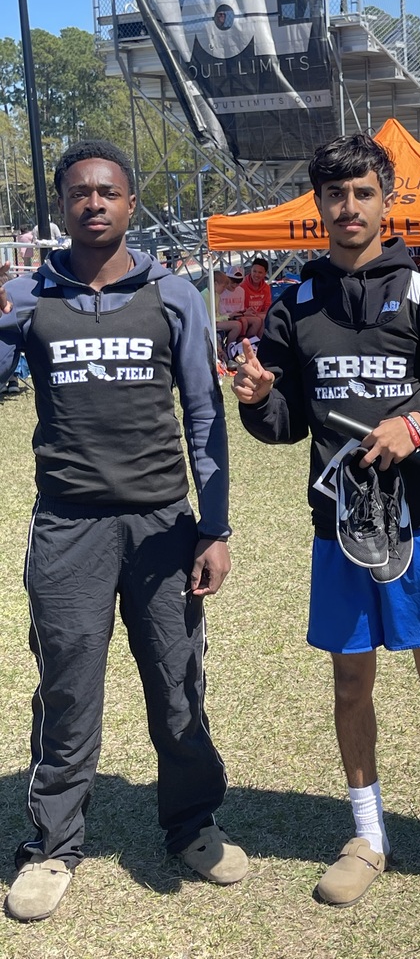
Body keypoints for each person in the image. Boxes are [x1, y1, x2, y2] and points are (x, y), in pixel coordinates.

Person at [233, 132, 420, 915]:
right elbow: (284, 422)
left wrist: (415, 426)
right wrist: (255, 400)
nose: (348, 208)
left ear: (387, 200)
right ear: (319, 206)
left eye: (362, 193)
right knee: (351, 679)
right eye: (334, 195)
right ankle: (368, 837)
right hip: (337, 526)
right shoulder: (298, 303)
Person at [0, 139, 248, 923]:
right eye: (79, 193)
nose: (94, 204)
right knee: (68, 689)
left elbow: (204, 415)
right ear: (62, 208)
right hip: (69, 525)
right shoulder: (27, 295)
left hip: (162, 527)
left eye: (108, 192)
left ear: (130, 203)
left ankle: (192, 825)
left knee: (178, 686)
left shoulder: (173, 294)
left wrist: (214, 527)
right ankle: (51, 844)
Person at [240, 256, 272, 340]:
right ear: (250, 270)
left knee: (264, 318)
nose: (256, 275)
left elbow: (267, 308)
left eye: (260, 272)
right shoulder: (242, 286)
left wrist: (257, 314)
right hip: (245, 315)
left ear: (265, 273)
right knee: (259, 320)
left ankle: (259, 345)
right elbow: (239, 307)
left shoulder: (266, 288)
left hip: (258, 315)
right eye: (254, 271)